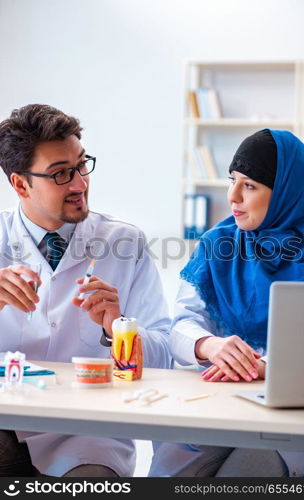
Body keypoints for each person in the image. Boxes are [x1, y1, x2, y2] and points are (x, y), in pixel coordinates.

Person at [0, 104, 172, 477]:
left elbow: (165, 361)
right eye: (60, 174)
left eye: (81, 165)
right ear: (20, 184)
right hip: (6, 423)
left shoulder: (124, 242)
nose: (80, 184)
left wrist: (118, 329)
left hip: (86, 436)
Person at [149, 129, 304, 477]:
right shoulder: (218, 243)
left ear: (287, 191)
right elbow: (179, 324)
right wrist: (208, 344)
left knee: (249, 470)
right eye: (232, 180)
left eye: (250, 186)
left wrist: (267, 367)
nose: (233, 197)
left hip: (285, 417)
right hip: (215, 405)